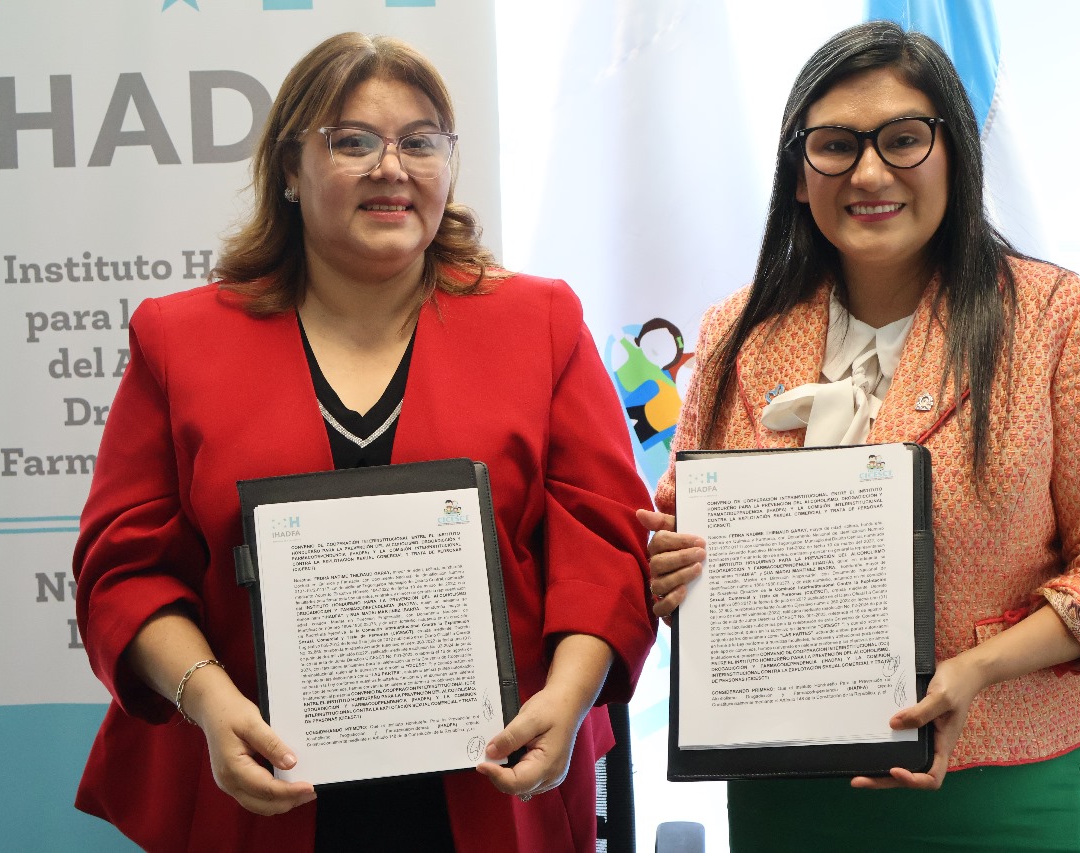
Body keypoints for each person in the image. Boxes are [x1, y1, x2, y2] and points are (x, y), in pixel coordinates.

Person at [72, 32, 657, 853]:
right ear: (289, 167)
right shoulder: (179, 339)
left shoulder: (543, 322)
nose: (392, 168)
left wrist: (568, 696)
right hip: (264, 787)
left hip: (492, 782)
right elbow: (124, 568)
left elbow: (605, 543)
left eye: (421, 142)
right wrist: (208, 698)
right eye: (353, 141)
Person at [639, 20, 1080, 852]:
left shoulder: (1065, 321)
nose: (868, 173)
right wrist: (673, 569)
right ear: (798, 176)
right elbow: (682, 528)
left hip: (1012, 790)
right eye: (835, 146)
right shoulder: (735, 334)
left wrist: (979, 666)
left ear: (954, 156)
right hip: (787, 796)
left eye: (902, 140)